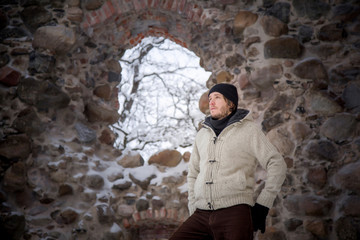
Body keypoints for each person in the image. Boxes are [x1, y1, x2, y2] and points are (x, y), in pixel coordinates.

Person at [170, 83, 287, 240]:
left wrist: (263, 205)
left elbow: (277, 163)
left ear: (231, 103)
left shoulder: (249, 130)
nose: (211, 102)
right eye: (210, 98)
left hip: (234, 214)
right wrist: (193, 207)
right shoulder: (202, 135)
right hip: (201, 215)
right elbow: (193, 174)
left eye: (217, 98)